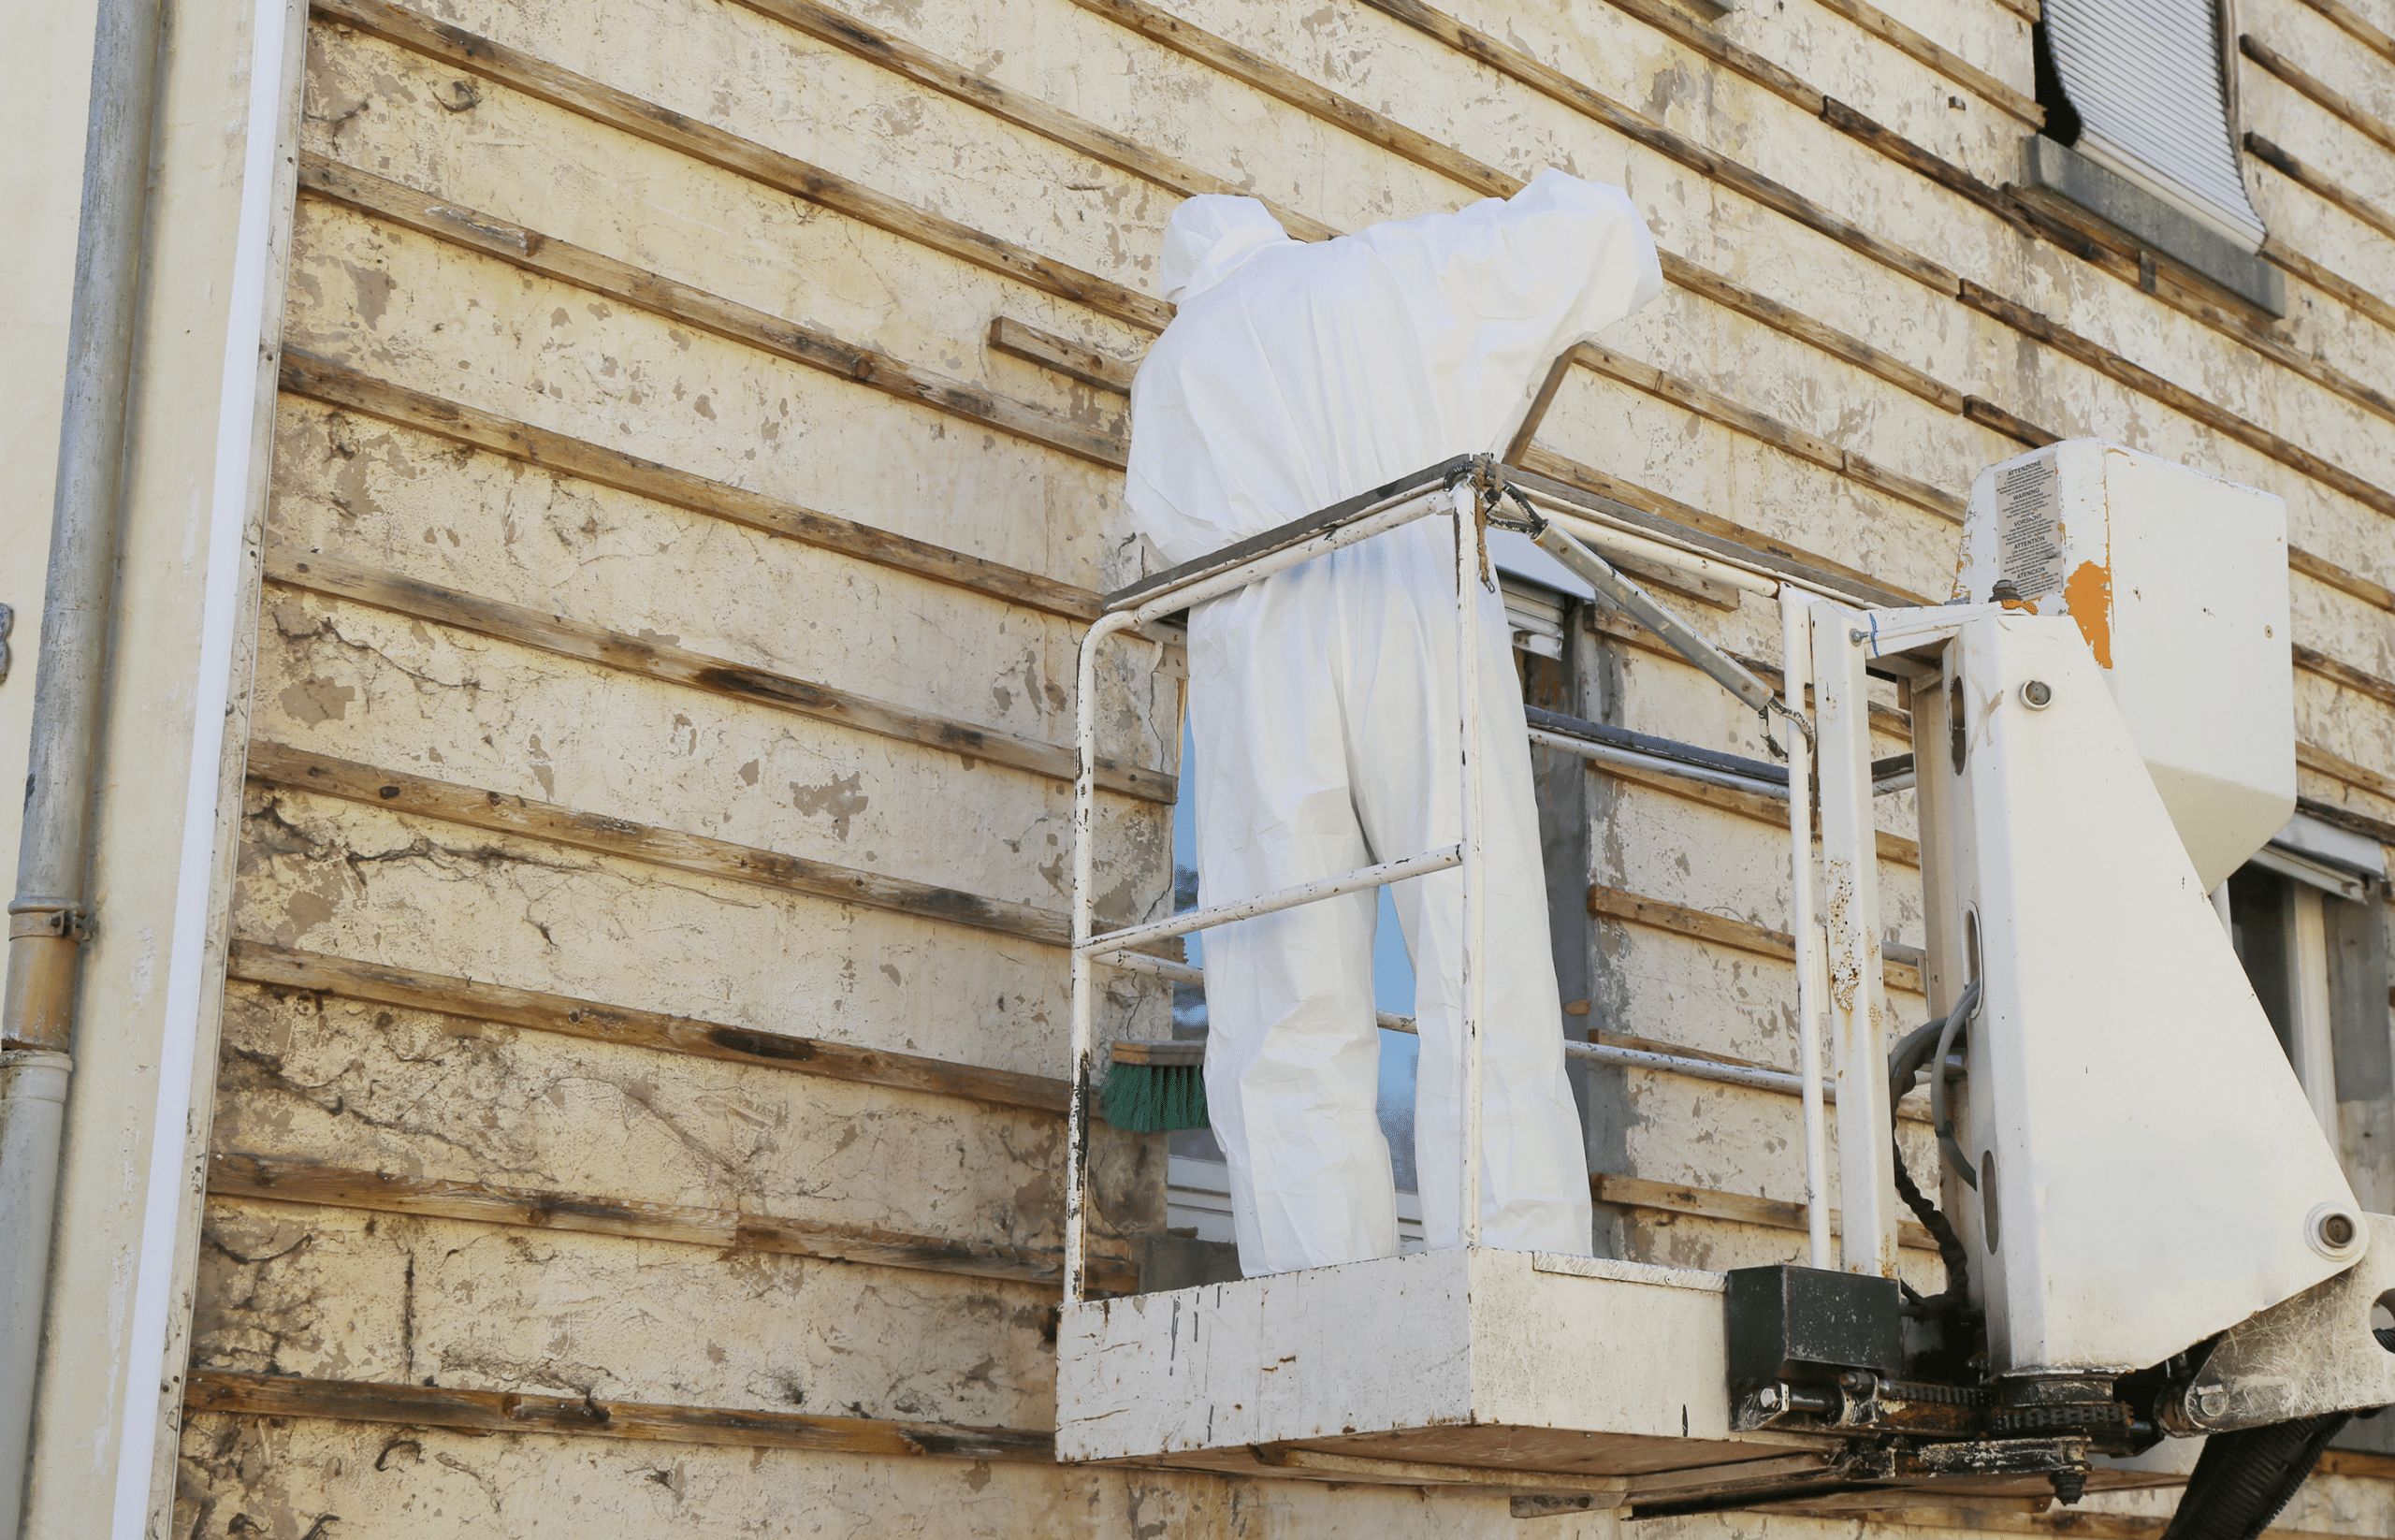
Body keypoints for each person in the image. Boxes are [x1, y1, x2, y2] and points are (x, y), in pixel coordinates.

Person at [1123, 169, 1665, 1276]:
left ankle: (1311, 1272)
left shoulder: (1174, 363)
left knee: (1281, 972)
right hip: (1404, 591)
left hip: (1255, 644)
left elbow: (1161, 549)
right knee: (1479, 934)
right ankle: (1511, 1252)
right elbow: (1595, 224)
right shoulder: (1361, 273)